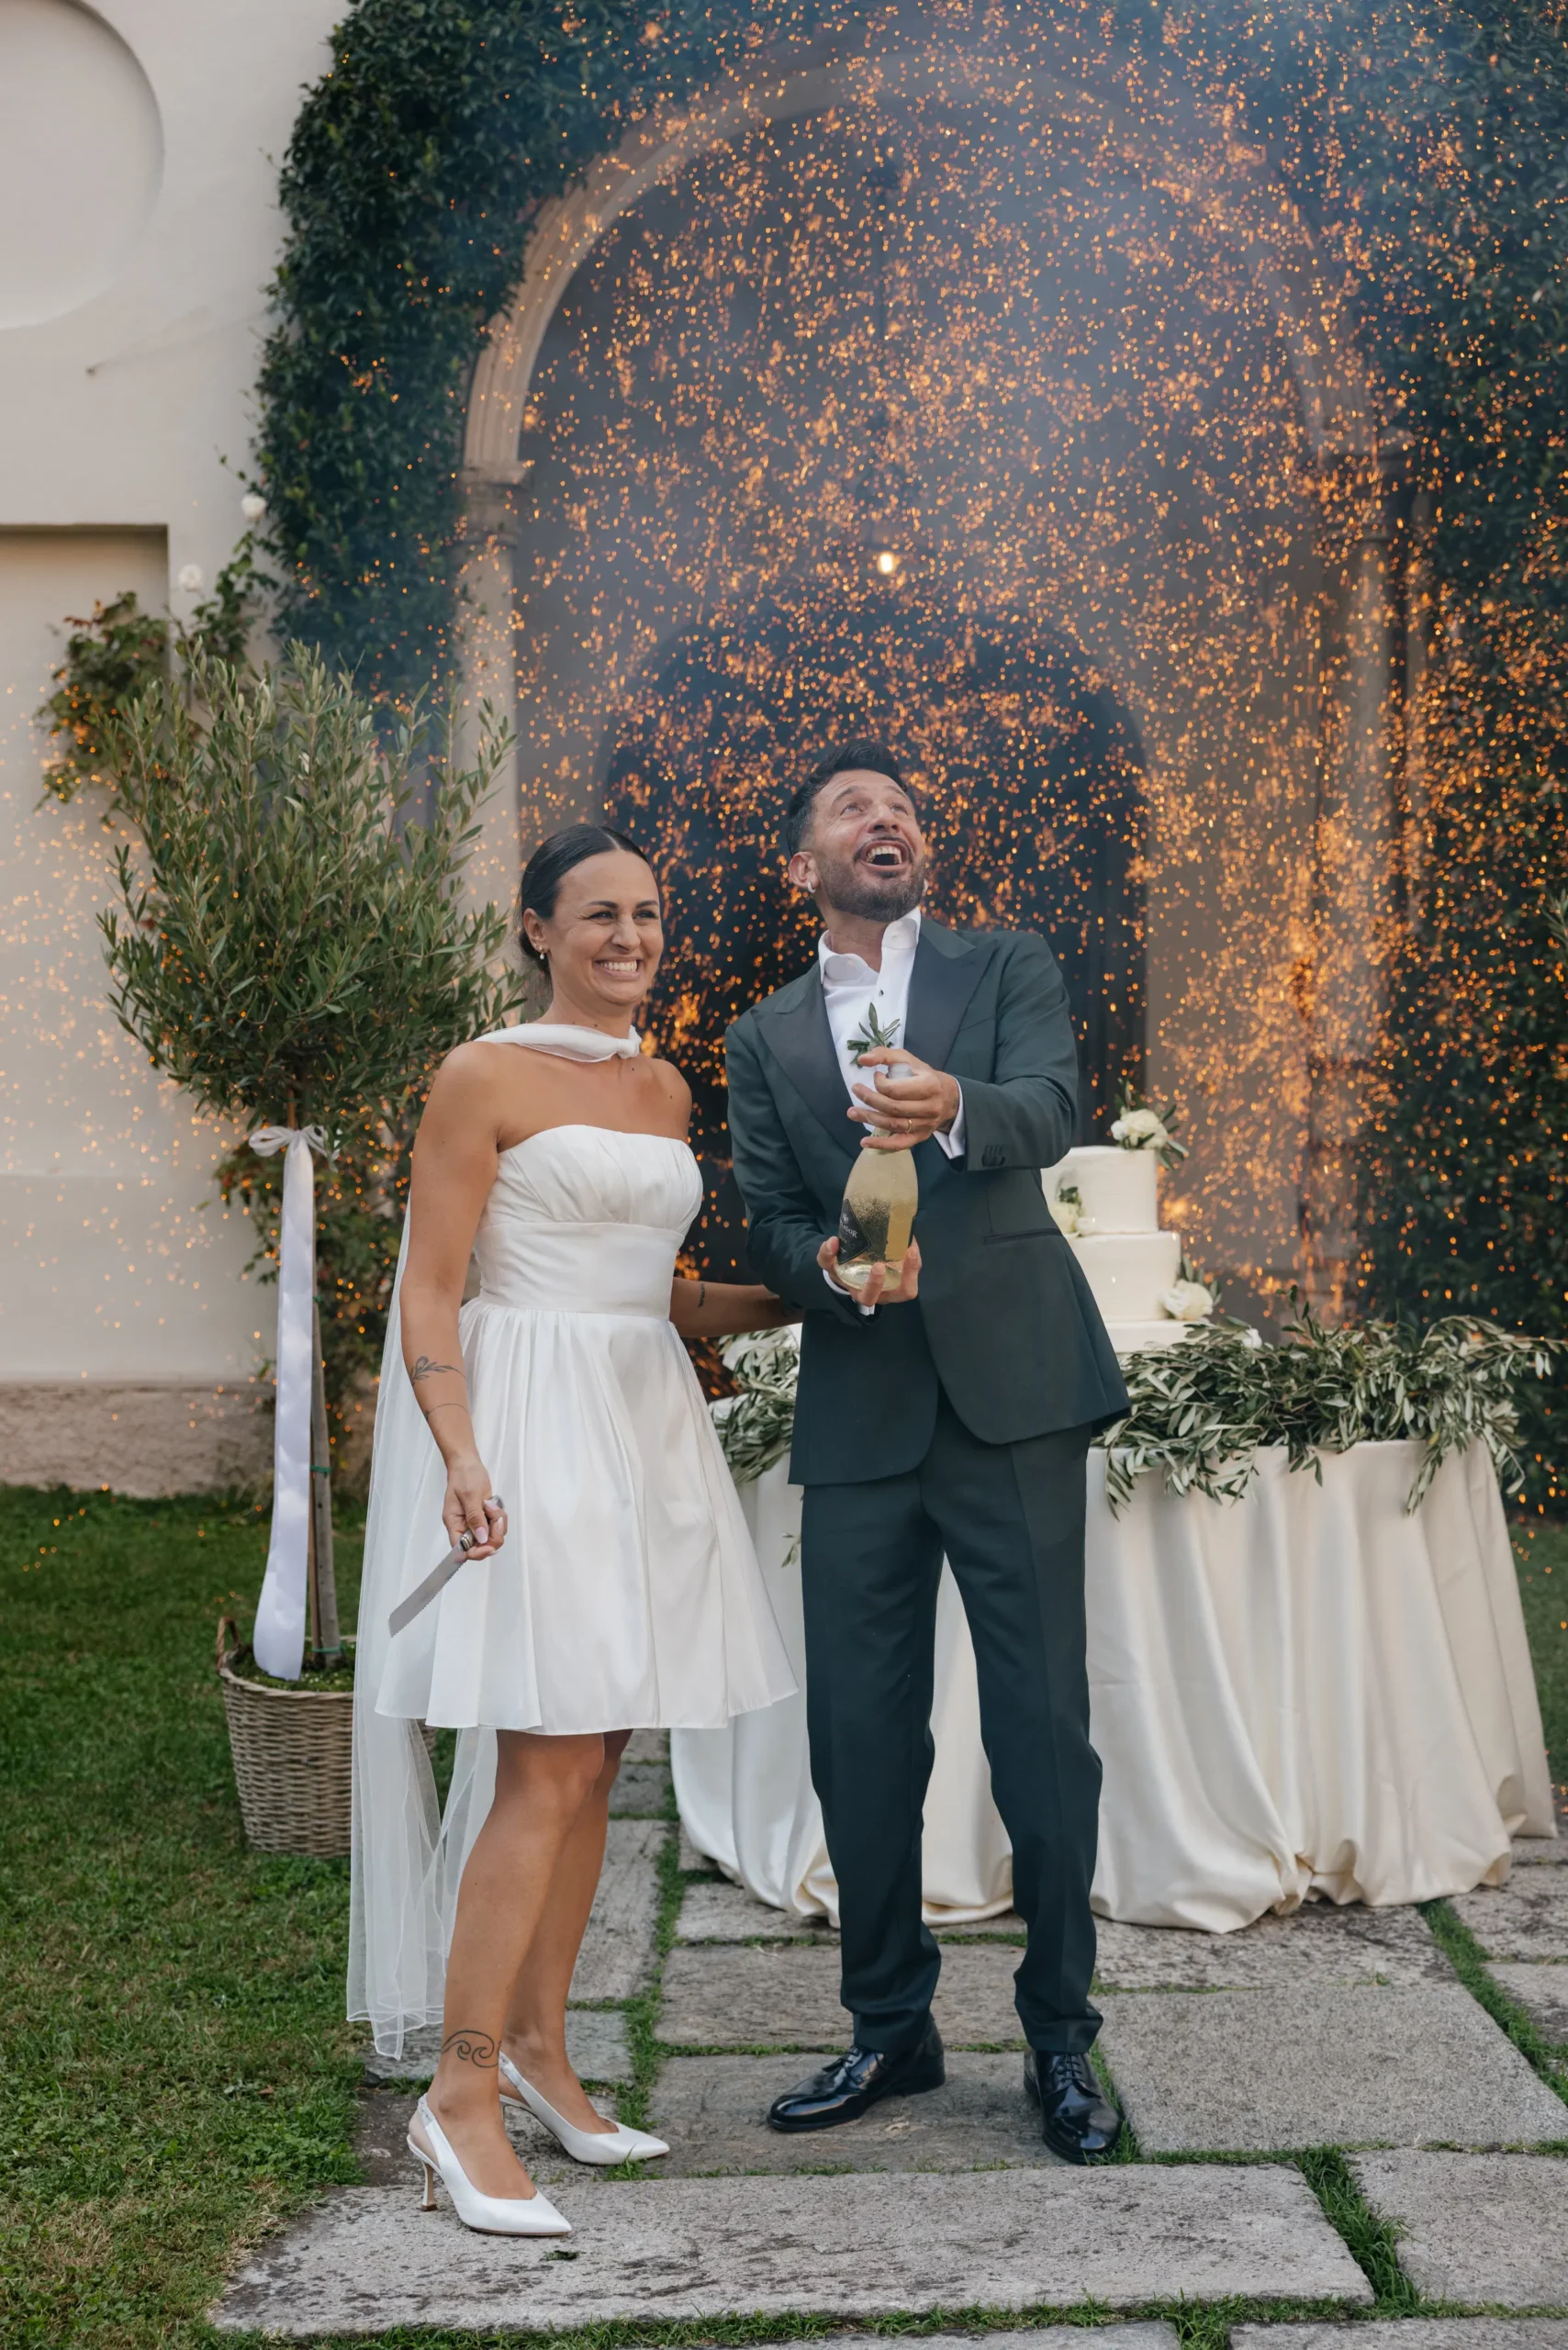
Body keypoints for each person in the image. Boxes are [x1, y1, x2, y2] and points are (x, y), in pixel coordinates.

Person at [349, 824, 796, 2236]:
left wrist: (814, 1295)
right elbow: (431, 1290)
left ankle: (542, 2051)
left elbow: (655, 1294)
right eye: (598, 914)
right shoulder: (480, 1075)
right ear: (537, 929)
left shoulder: (663, 1088)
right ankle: (459, 2094)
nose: (630, 937)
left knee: (600, 1755)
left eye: (647, 914)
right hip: (528, 1424)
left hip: (642, 1419)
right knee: (541, 1762)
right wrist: (458, 1450)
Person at [723, 740, 1130, 2163]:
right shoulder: (764, 1036)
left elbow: (1054, 1111)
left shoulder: (1004, 964)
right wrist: (832, 1271)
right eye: (853, 808)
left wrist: (953, 1103)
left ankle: (1061, 2039)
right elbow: (770, 1218)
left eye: (900, 809)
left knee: (1042, 1732)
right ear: (804, 866)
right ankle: (889, 2025)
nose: (884, 820)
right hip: (862, 1409)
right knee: (858, 1737)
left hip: (1015, 1394)